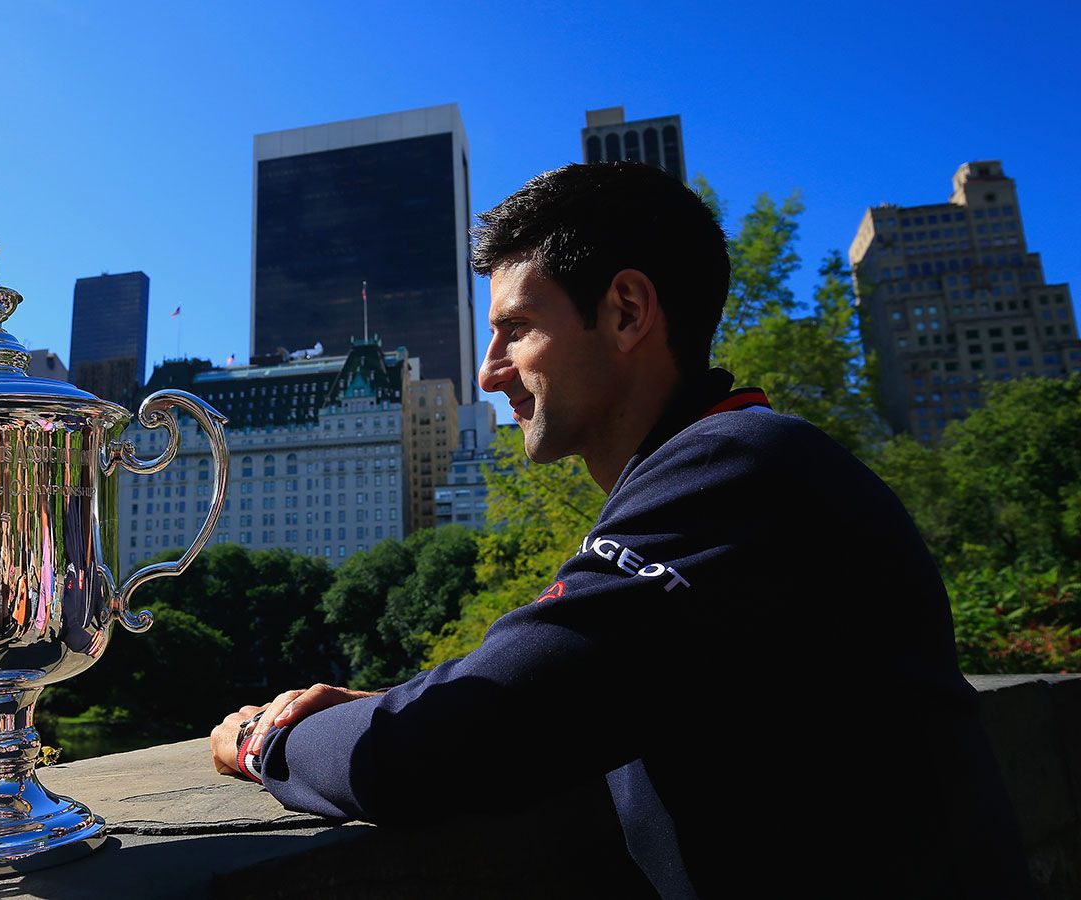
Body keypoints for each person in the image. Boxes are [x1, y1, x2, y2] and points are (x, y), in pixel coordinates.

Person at [209, 162, 1032, 898]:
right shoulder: (739, 468)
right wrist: (405, 698)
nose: (490, 372)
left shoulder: (737, 472)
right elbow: (562, 679)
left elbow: (458, 743)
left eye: (516, 329)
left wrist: (265, 742)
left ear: (628, 311)